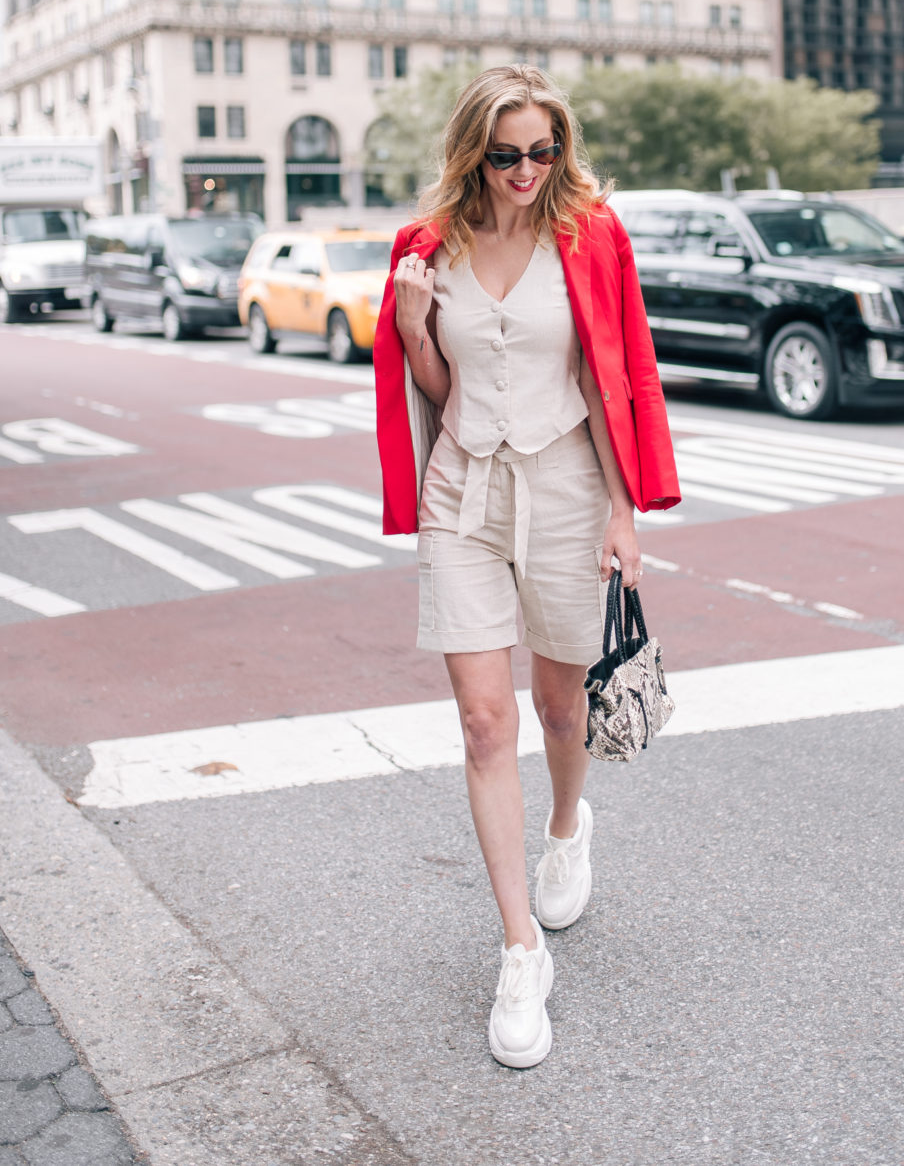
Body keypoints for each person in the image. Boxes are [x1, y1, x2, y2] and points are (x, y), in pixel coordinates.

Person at [374, 63, 680, 1068]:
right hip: (461, 491)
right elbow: (433, 382)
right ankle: (517, 952)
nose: (525, 169)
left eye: (542, 151)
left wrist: (626, 513)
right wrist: (416, 320)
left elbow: (617, 366)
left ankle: (565, 826)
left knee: (556, 708)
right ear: (473, 153)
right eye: (505, 154)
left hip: (564, 489)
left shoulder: (589, 235)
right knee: (480, 719)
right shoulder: (424, 250)